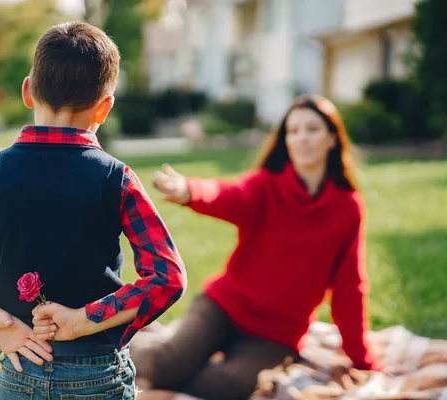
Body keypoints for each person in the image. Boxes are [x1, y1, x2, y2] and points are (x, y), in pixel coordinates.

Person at [0, 21, 187, 400]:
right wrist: (85, 320)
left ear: (28, 91)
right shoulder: (118, 180)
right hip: (98, 374)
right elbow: (168, 278)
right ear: (105, 108)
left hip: (20, 369)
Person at [132, 95, 381, 400]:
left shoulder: (347, 208)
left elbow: (350, 289)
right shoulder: (266, 186)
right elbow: (228, 194)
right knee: (167, 368)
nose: (302, 138)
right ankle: (121, 346)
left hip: (275, 335)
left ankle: (164, 383)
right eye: (293, 131)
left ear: (332, 138)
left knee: (227, 388)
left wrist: (361, 360)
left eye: (312, 129)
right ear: (285, 141)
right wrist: (190, 191)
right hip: (223, 308)